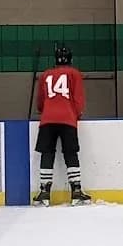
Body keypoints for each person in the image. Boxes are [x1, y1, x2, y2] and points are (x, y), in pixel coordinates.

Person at [32, 45, 90, 207]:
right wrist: (76, 114)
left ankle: (44, 193)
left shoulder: (45, 75)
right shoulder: (74, 74)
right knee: (71, 153)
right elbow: (78, 99)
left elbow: (40, 101)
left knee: (47, 153)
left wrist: (45, 111)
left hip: (47, 119)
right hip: (68, 119)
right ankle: (76, 192)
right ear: (71, 59)